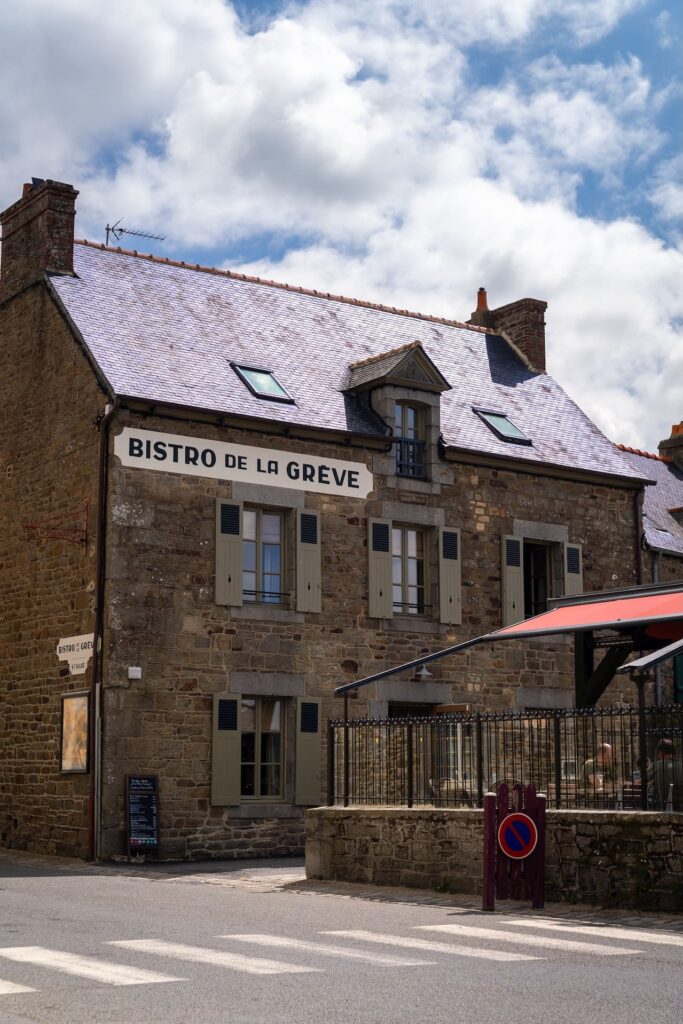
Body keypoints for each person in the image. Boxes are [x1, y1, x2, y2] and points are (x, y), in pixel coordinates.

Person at [649, 738, 675, 810]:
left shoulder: (656, 765)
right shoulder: (680, 765)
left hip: (662, 805)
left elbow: (642, 779)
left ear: (660, 752)